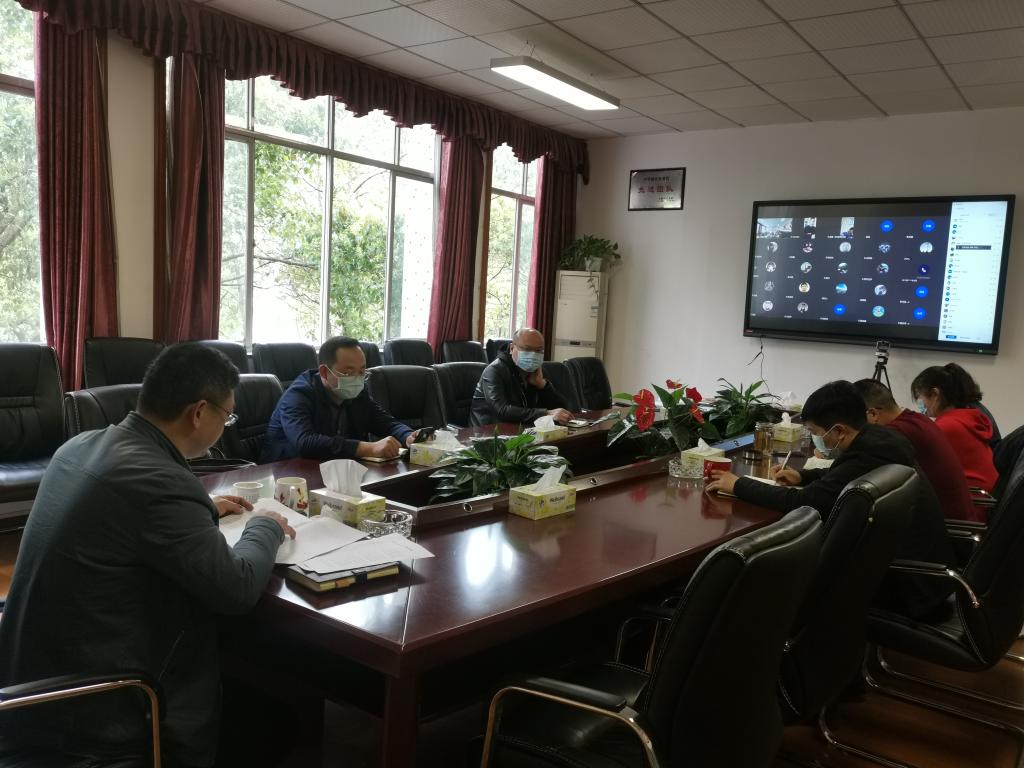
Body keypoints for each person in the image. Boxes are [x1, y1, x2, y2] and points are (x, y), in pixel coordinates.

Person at [0, 343, 295, 767]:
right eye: (227, 416)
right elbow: (238, 588)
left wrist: (201, 510)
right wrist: (264, 524)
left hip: (35, 683)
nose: (226, 425)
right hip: (97, 713)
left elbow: (121, 515)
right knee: (267, 718)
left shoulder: (81, 446)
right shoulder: (161, 482)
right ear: (199, 412)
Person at [707, 380, 954, 620]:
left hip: (904, 590)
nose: (817, 438)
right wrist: (802, 476)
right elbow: (842, 474)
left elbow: (802, 502)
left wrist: (738, 484)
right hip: (921, 579)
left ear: (839, 430)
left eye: (816, 433)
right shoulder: (880, 439)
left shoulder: (868, 453)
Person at [260, 335, 422, 462]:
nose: (357, 378)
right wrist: (367, 448)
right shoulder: (298, 395)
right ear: (324, 372)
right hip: (287, 474)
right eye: (348, 372)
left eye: (361, 371)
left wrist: (408, 436)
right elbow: (305, 442)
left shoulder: (358, 392)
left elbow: (385, 422)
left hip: (335, 470)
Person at [854, 378, 982, 523]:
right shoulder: (918, 419)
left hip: (948, 526)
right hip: (960, 518)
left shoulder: (894, 434)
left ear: (872, 414)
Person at [911, 363, 998, 493]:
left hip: (971, 499)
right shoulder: (968, 419)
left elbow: (918, 466)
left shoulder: (946, 427)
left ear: (935, 394)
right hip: (982, 496)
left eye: (920, 396)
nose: (921, 403)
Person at [470, 327, 572, 426]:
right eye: (527, 349)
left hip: (523, 430)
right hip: (488, 432)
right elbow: (502, 410)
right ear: (512, 348)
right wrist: (546, 413)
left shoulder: (537, 371)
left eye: (538, 350)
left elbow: (563, 410)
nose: (533, 355)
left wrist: (542, 385)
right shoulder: (495, 370)